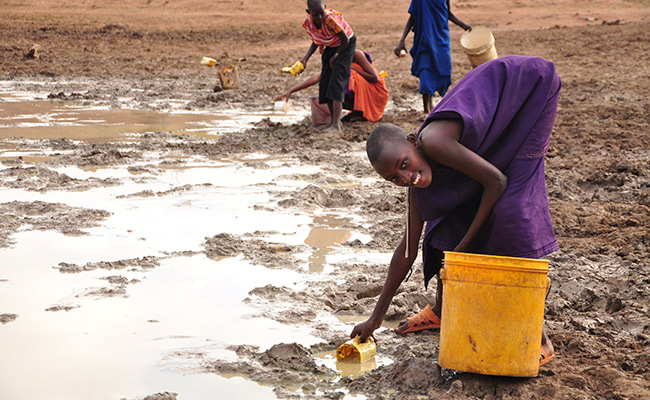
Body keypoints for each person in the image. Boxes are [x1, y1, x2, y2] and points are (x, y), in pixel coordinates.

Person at [351, 55, 561, 367]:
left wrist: (461, 252)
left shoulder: (434, 141)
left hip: (528, 91)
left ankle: (539, 334)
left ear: (413, 141)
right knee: (443, 220)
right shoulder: (417, 182)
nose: (407, 178)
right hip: (491, 129)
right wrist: (374, 319)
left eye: (404, 164)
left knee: (513, 209)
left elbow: (496, 181)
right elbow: (407, 250)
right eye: (394, 178)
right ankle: (441, 309)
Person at [394, 0, 471, 115]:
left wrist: (462, 25)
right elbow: (412, 17)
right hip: (425, 39)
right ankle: (426, 110)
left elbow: (447, 13)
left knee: (444, 71)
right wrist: (402, 41)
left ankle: (431, 105)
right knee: (426, 71)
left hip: (441, 39)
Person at [274, 50, 390, 123]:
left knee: (345, 78)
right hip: (360, 88)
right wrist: (291, 91)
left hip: (375, 93)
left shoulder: (356, 54)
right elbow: (317, 77)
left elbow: (374, 78)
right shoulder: (333, 59)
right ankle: (356, 111)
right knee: (330, 82)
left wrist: (352, 69)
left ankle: (361, 113)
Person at [298, 0, 356, 132]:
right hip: (330, 45)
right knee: (325, 82)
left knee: (337, 82)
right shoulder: (308, 23)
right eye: (315, 14)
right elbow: (316, 40)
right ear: (309, 13)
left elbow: (345, 39)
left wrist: (336, 56)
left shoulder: (330, 19)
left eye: (321, 13)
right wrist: (305, 59)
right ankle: (332, 121)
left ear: (324, 9)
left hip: (345, 45)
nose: (319, 17)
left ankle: (336, 124)